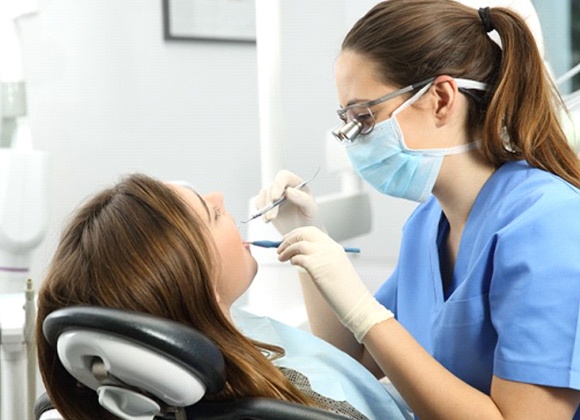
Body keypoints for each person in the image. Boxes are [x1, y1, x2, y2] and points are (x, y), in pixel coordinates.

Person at [254, 1, 580, 419]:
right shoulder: (428, 226)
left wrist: (365, 311)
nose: (353, 142)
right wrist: (306, 242)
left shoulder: (550, 224)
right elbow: (353, 357)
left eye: (365, 119)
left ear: (442, 98)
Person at [35, 173, 406, 420]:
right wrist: (362, 312)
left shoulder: (217, 342)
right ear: (200, 284)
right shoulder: (287, 401)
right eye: (212, 213)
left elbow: (337, 366)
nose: (220, 197)